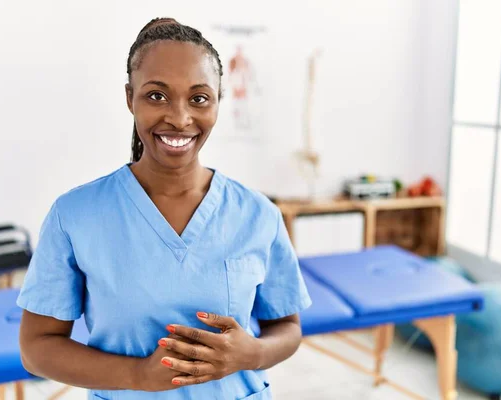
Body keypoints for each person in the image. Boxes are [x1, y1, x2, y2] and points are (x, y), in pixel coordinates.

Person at [17, 17, 311, 400]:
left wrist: (251, 353)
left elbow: (287, 328)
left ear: (218, 101)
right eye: (157, 95)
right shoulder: (76, 216)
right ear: (130, 98)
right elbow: (37, 348)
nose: (179, 117)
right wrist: (138, 374)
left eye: (199, 98)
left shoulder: (257, 215)